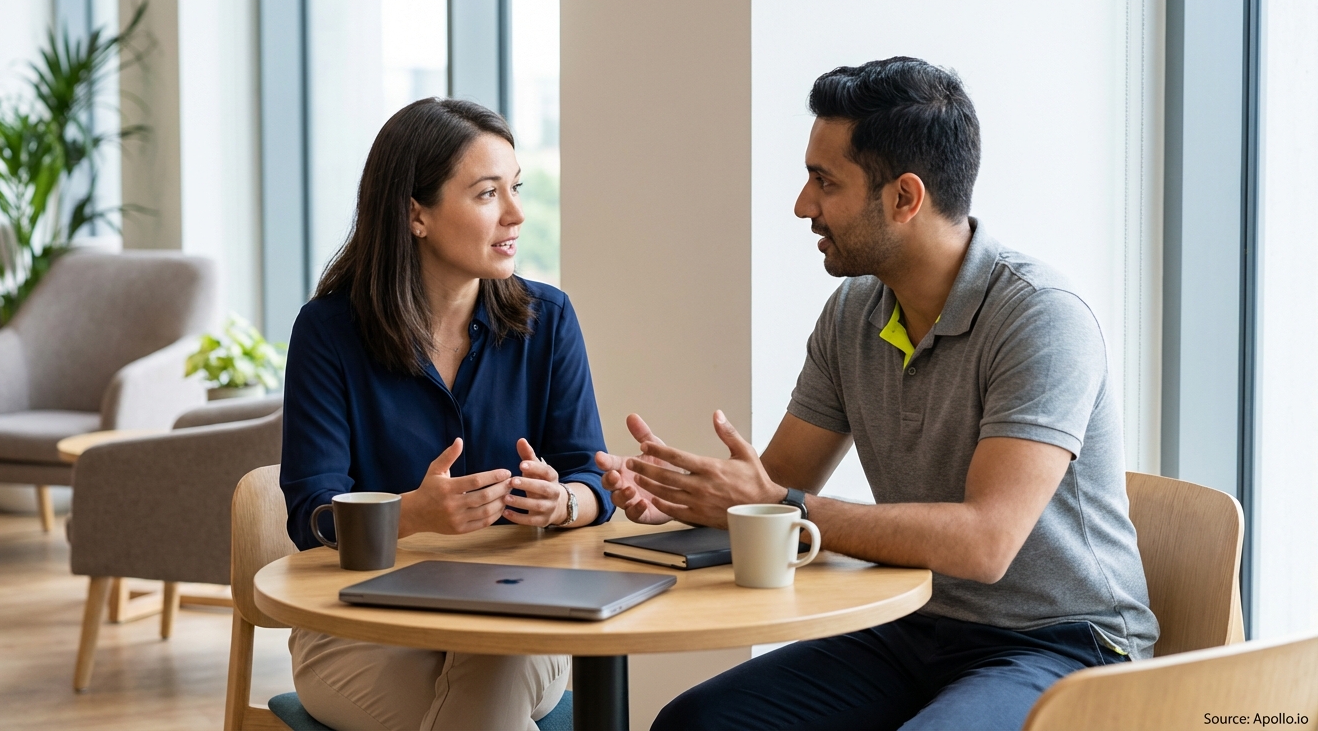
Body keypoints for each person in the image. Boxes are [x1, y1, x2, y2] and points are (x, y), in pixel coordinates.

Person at [598, 57, 1159, 731]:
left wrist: (776, 503)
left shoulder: (1041, 318)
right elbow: (776, 483)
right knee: (699, 724)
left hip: (1064, 643)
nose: (804, 205)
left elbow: (985, 543)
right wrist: (686, 497)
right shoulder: (853, 312)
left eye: (824, 182)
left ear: (904, 198)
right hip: (911, 624)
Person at [280, 97, 613, 731]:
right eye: (488, 194)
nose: (516, 214)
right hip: (361, 628)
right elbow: (309, 515)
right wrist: (411, 514)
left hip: (520, 620)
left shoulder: (550, 321)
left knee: (496, 669)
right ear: (416, 214)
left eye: (515, 188)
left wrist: (563, 502)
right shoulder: (329, 332)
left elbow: (592, 478)